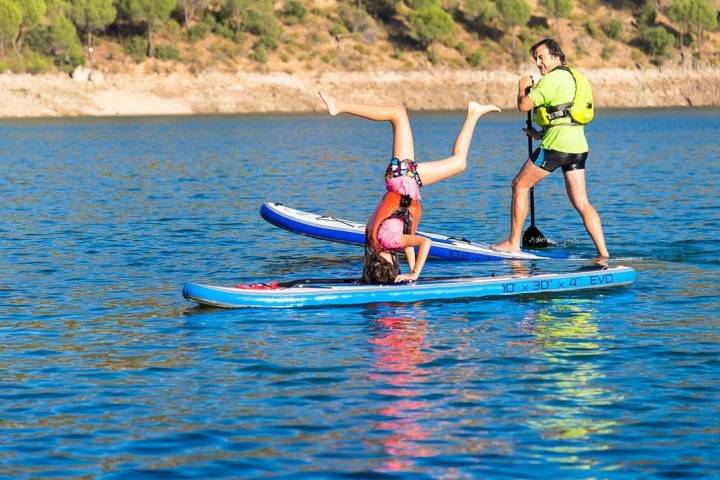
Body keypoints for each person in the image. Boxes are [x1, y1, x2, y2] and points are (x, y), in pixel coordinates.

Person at [319, 91, 500, 284]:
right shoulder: (377, 243)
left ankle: (340, 105)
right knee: (459, 163)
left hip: (403, 176)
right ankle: (474, 113)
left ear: (386, 264)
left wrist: (415, 274)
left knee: (398, 114)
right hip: (405, 180)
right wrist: (412, 267)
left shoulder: (388, 242)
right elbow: (407, 240)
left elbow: (424, 242)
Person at [492, 38, 610, 259]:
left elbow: (524, 105)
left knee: (519, 185)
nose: (538, 63)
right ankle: (603, 253)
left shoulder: (551, 79)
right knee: (582, 202)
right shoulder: (576, 77)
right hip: (577, 147)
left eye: (541, 57)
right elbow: (563, 116)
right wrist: (538, 134)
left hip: (556, 146)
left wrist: (521, 89)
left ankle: (512, 242)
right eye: (535, 59)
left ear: (556, 55)